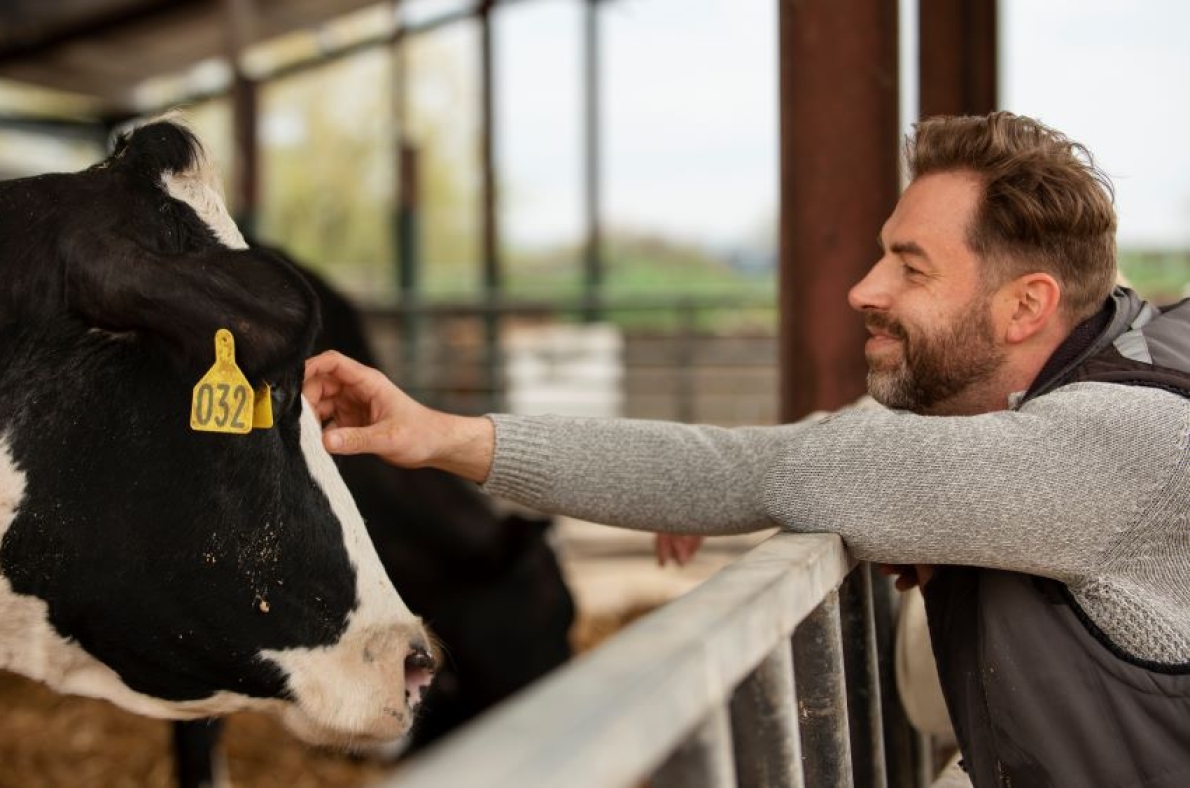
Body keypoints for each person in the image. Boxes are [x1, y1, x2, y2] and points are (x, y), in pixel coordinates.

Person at [303, 112, 1190, 788]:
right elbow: (830, 453)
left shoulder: (1103, 443)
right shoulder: (1080, 375)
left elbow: (765, 472)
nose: (861, 289)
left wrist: (440, 437)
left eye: (910, 269)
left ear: (1027, 308)